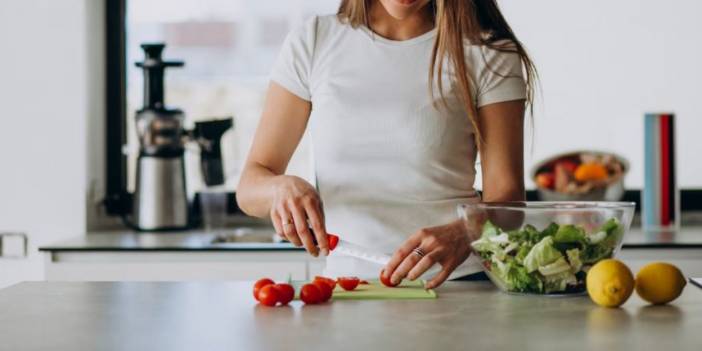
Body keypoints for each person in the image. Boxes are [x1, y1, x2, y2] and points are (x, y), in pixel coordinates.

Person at [236, 0, 537, 289]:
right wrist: (280, 189)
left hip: (455, 286)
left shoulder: (488, 52)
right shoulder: (313, 41)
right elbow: (251, 187)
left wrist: (466, 231)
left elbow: (508, 204)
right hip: (348, 289)